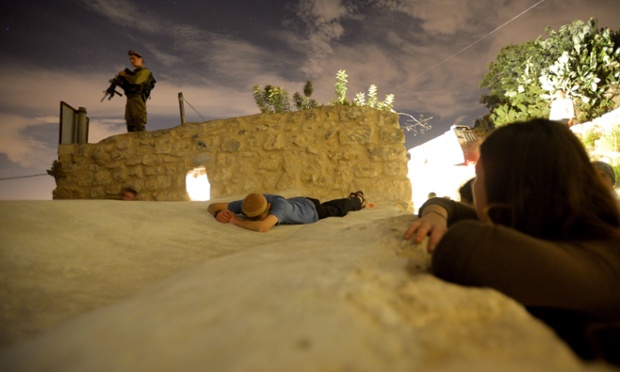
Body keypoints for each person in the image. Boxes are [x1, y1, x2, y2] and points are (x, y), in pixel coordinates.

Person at [404, 119, 620, 363]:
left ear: (508, 187)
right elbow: (448, 206)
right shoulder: (566, 223)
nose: (474, 185)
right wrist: (435, 215)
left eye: (479, 176)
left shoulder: (603, 261)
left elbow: (460, 245)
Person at [207, 191, 366, 232]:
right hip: (298, 202)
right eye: (252, 218)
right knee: (334, 204)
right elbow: (213, 205)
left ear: (269, 207)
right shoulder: (249, 203)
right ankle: (352, 198)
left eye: (258, 217)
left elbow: (263, 227)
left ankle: (357, 199)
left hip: (312, 210)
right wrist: (217, 213)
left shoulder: (279, 206)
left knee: (341, 208)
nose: (255, 220)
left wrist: (234, 221)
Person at [119, 50, 153, 132]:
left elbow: (136, 80)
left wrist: (125, 75)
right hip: (130, 100)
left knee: (138, 122)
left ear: (140, 59)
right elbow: (129, 86)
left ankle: (145, 142)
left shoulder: (145, 71)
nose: (132, 61)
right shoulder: (133, 73)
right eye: (130, 59)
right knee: (130, 125)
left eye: (133, 58)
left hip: (138, 100)